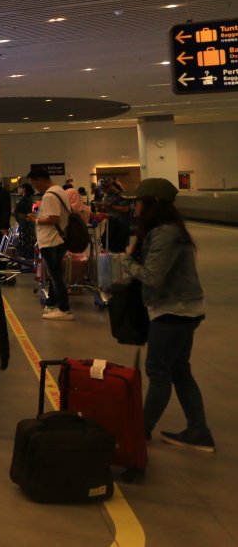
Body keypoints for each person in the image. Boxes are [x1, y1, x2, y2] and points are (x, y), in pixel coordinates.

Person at [118, 178, 213, 451]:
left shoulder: (164, 233)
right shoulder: (169, 230)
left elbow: (153, 277)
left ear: (152, 204)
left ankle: (141, 430)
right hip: (184, 309)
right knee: (180, 371)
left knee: (158, 373)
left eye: (137, 201)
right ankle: (199, 431)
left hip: (173, 311)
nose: (134, 206)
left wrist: (126, 260)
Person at [27, 167, 73, 321]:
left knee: (55, 275)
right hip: (59, 239)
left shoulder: (49, 195)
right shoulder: (60, 190)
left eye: (34, 184)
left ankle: (64, 308)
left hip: (50, 240)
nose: (35, 187)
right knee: (55, 275)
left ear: (41, 179)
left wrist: (36, 220)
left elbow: (54, 219)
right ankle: (52, 303)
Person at [102, 179, 133, 252]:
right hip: (110, 223)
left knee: (119, 248)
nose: (104, 191)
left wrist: (110, 206)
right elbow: (107, 208)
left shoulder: (122, 195)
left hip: (121, 225)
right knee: (106, 244)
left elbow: (125, 209)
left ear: (110, 186)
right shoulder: (108, 196)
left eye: (105, 189)